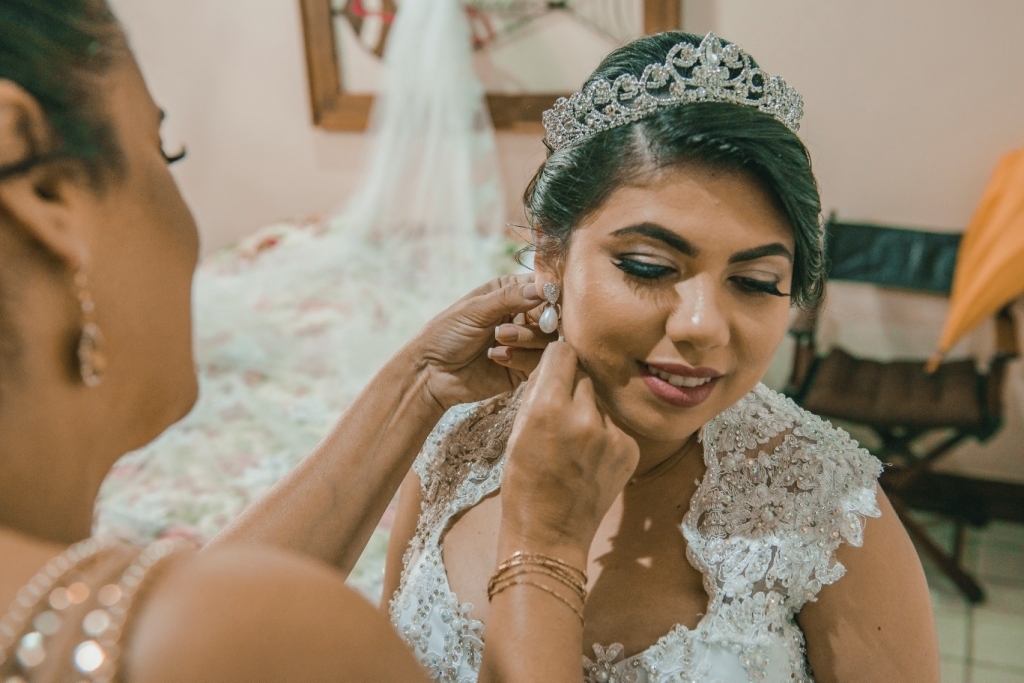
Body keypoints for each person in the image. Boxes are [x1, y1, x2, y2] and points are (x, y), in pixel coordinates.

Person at [0, 2, 639, 681]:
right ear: (48, 193)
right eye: (165, 154)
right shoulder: (271, 637)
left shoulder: (165, 617)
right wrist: (543, 545)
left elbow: (199, 603)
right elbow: (223, 630)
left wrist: (419, 382)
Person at [383, 31, 942, 683]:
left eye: (757, 282)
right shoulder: (456, 441)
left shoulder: (831, 511)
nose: (703, 326)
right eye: (648, 266)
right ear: (551, 257)